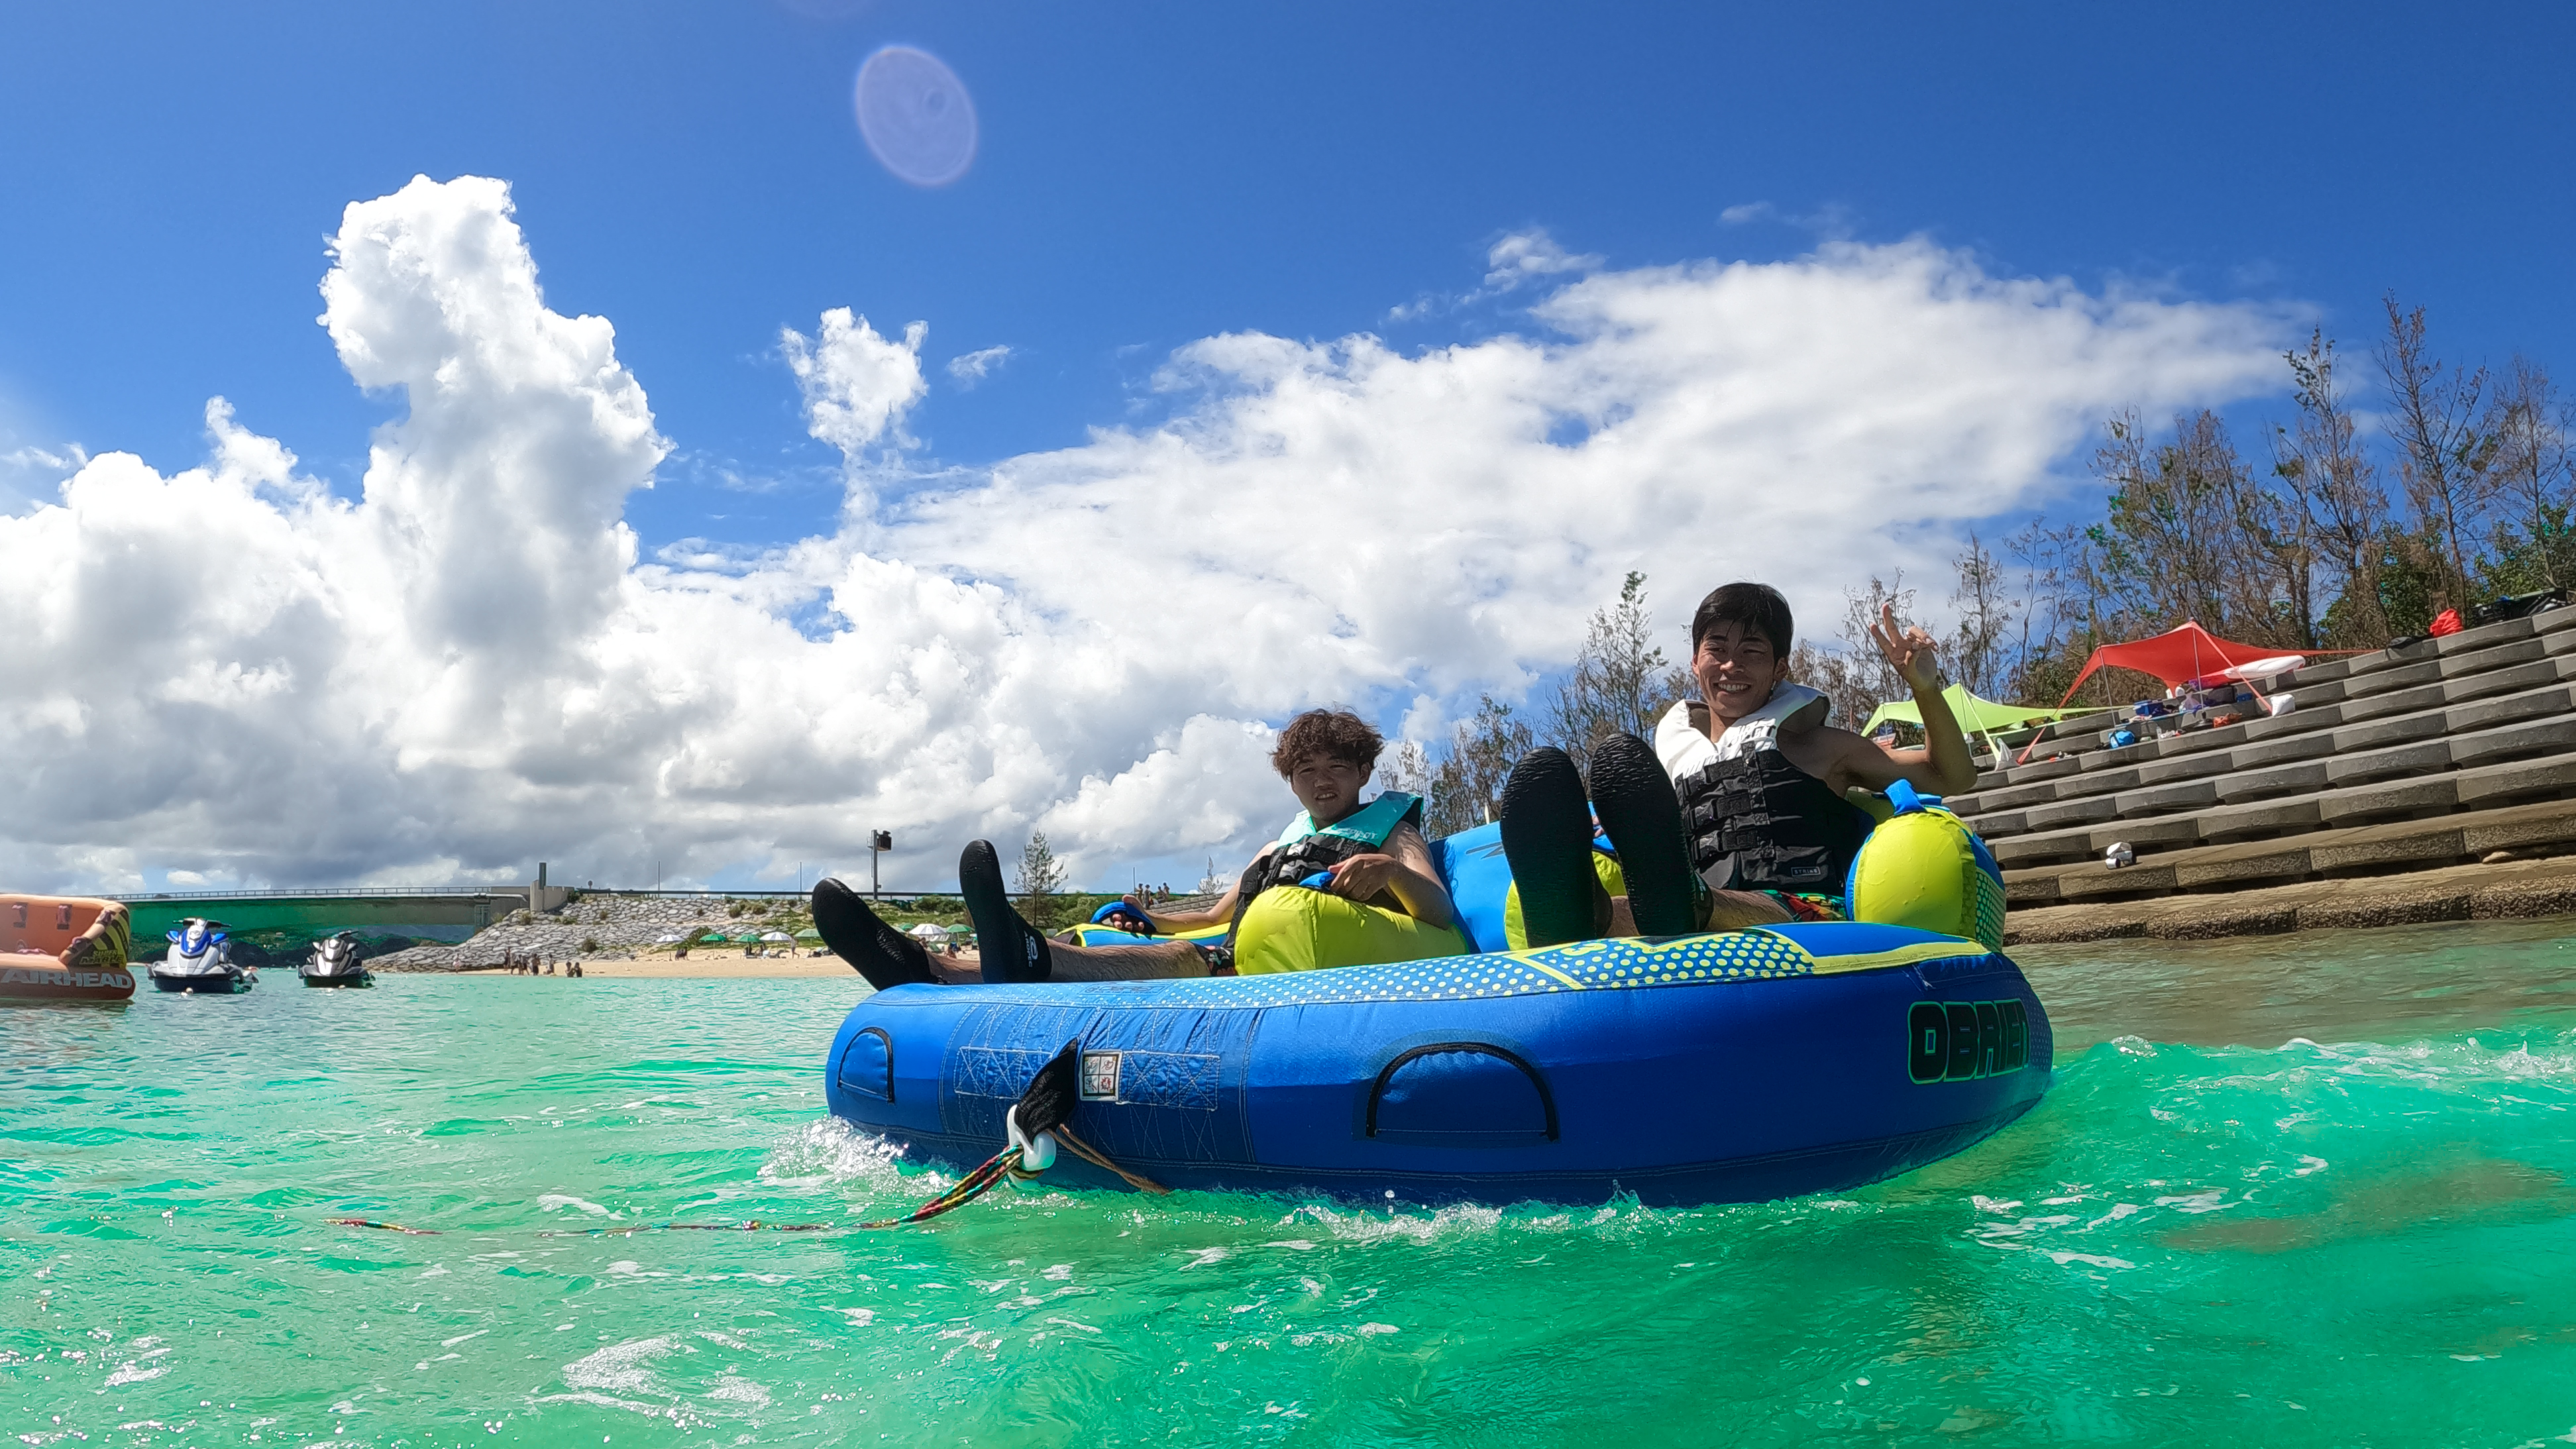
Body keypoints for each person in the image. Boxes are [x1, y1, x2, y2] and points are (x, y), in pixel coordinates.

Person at [814, 709, 1464, 987]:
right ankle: (927, 967)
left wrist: (1386, 871)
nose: (1322, 782)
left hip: (1281, 961)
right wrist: (1151, 916)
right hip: (1239, 945)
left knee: (1182, 957)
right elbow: (1217, 913)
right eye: (1307, 772)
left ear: (1362, 773)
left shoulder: (1393, 831)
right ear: (1290, 781)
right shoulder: (1280, 844)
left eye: (1336, 769)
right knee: (1098, 938)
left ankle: (1013, 959)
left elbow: (1437, 911)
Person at [1503, 581, 1978, 943]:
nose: (1732, 666)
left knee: (1693, 903)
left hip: (1805, 913)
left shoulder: (1821, 746)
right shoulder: (1673, 765)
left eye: (1752, 652)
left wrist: (1924, 687)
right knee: (1611, 910)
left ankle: (1679, 905)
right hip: (1684, 917)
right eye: (1718, 650)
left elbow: (1950, 775)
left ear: (1780, 669)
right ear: (1695, 662)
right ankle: (1580, 918)